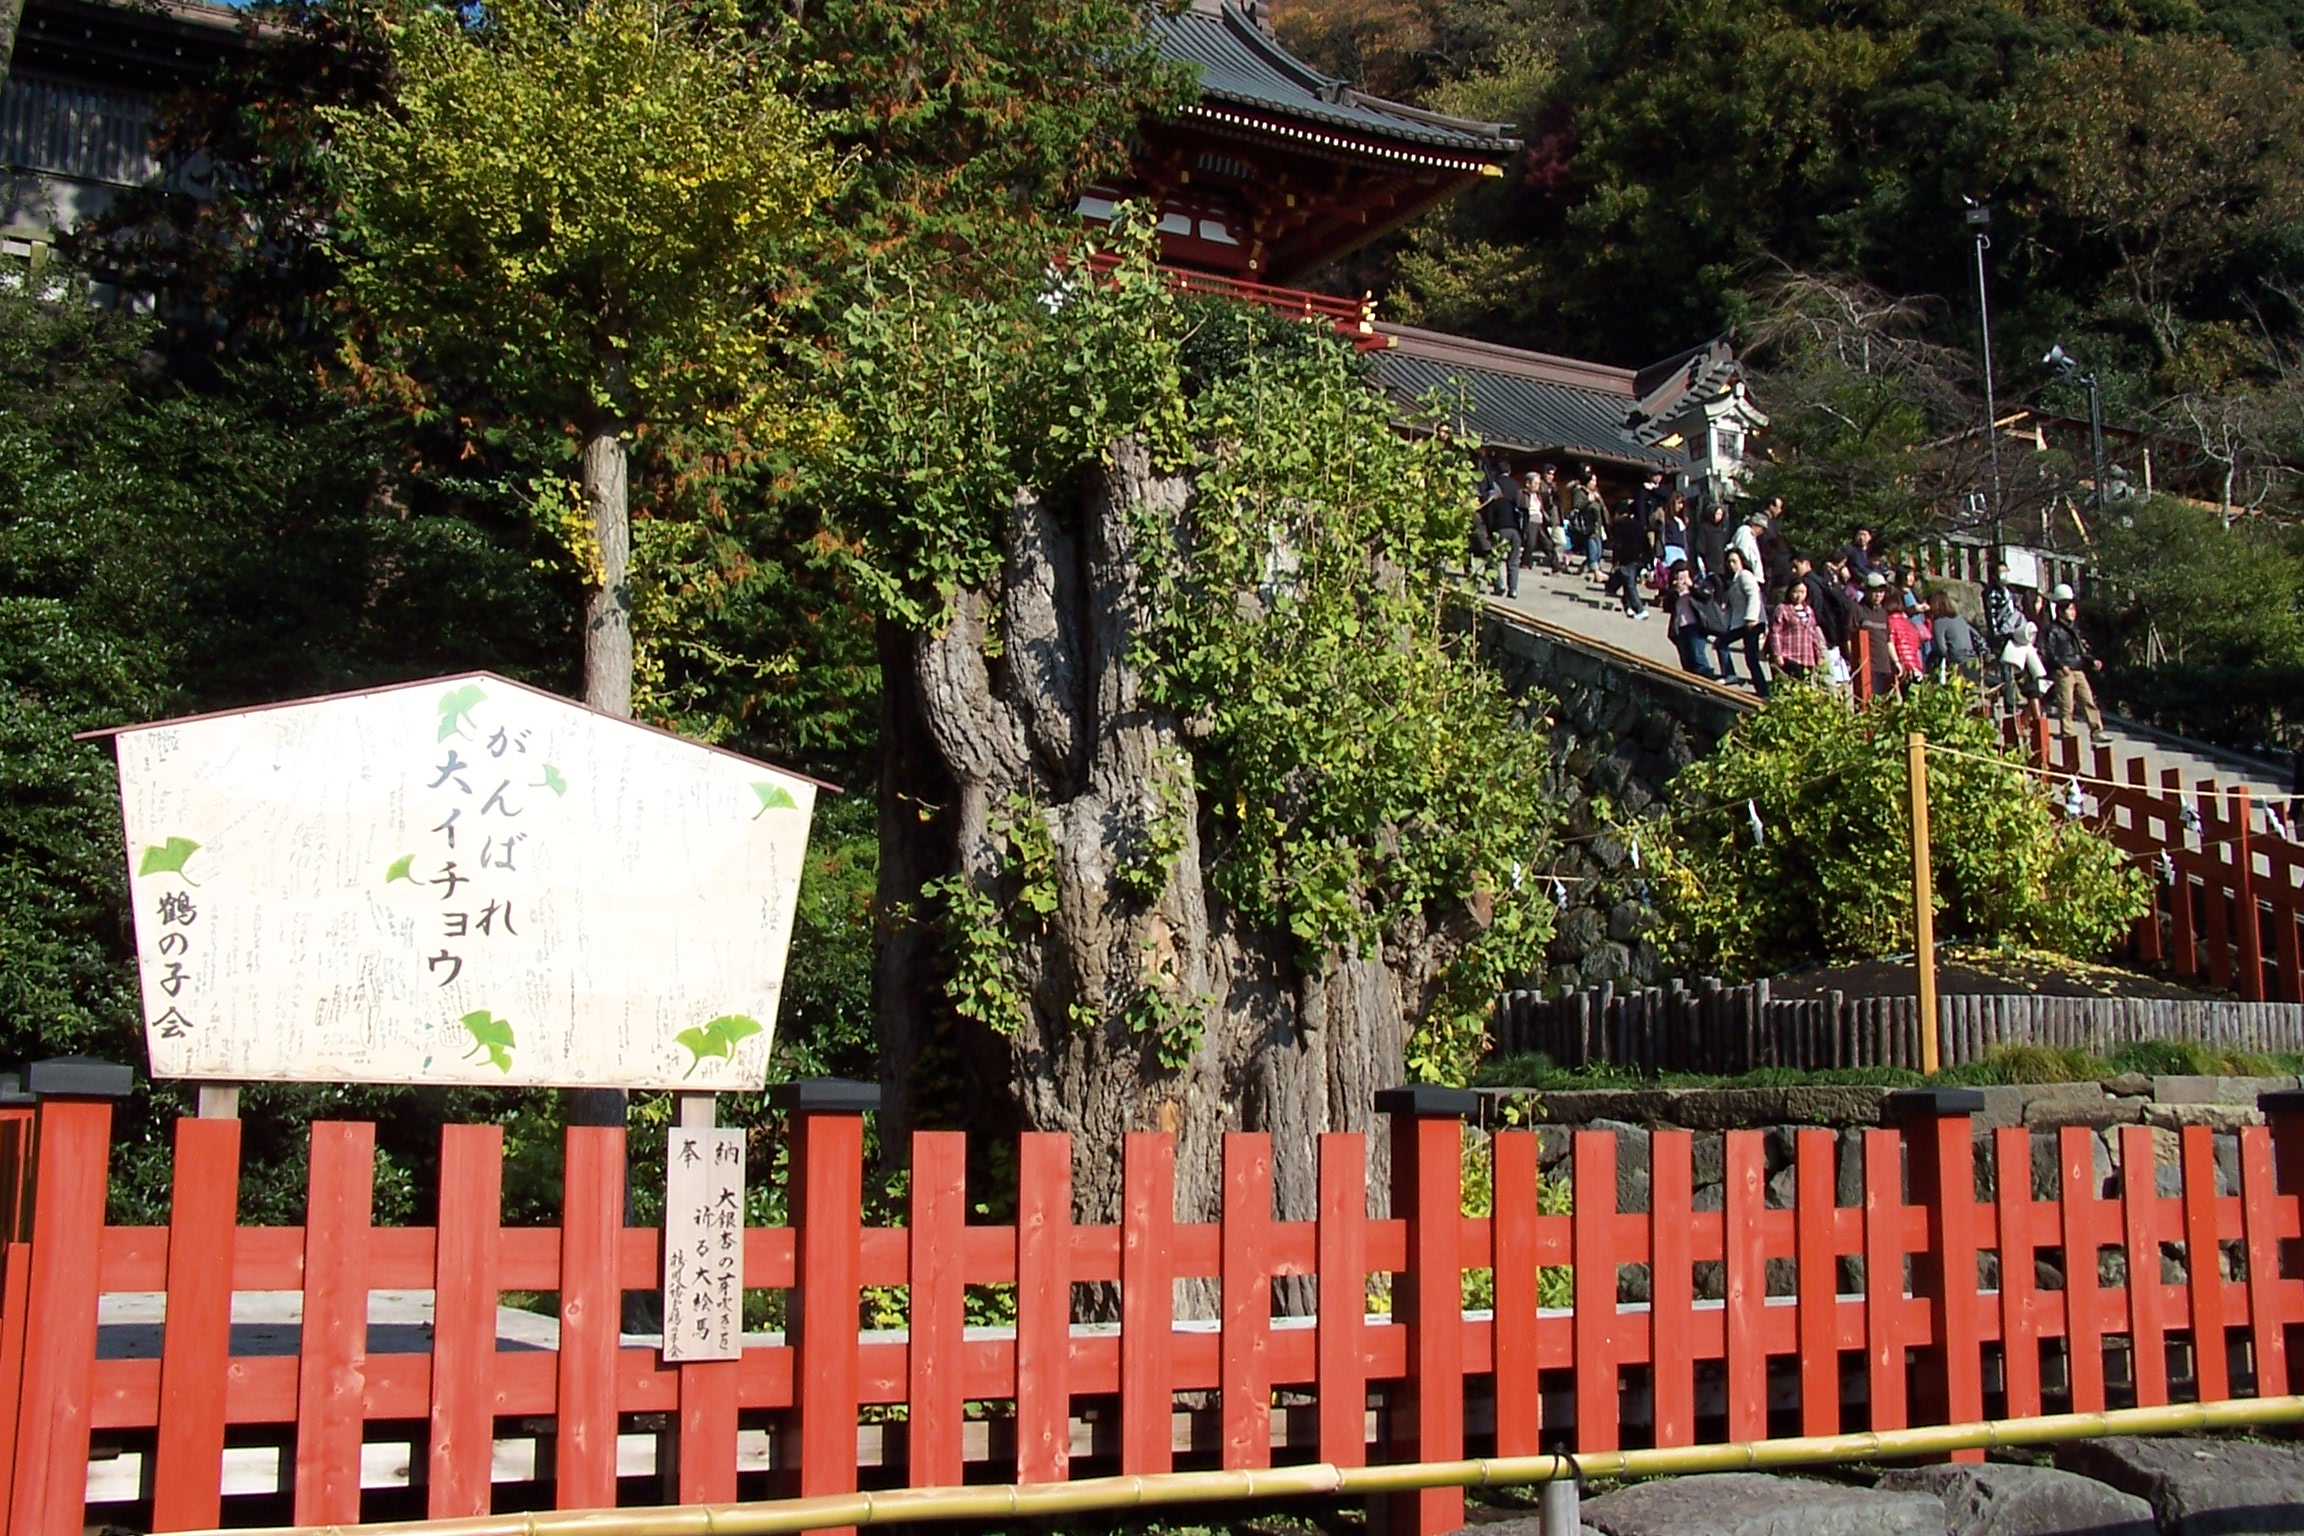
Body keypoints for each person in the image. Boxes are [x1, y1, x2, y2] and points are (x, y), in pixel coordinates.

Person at [2040, 583, 2106, 737]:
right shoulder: (2053, 629)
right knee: (2066, 704)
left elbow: (2080, 650)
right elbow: (2049, 651)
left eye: (2074, 609)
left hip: (2078, 668)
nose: (2073, 613)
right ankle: (2067, 732)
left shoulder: (2073, 629)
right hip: (2064, 670)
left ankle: (2096, 730)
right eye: (2069, 609)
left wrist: (2092, 661)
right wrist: (2060, 665)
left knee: (2087, 700)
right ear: (2061, 611)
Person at [1717, 548, 1768, 695]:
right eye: (1729, 562)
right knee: (1746, 655)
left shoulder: (1745, 575)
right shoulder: (1734, 580)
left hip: (1752, 622)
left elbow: (1754, 595)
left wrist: (1751, 617)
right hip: (1743, 623)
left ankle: (1762, 691)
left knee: (1749, 656)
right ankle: (1760, 689)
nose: (1731, 565)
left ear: (1741, 561)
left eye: (1734, 561)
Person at [1666, 562, 1719, 678]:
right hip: (1680, 628)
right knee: (1686, 660)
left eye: (1685, 575)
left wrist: (1691, 585)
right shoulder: (1676, 592)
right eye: (1680, 576)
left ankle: (1707, 681)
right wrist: (1675, 590)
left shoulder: (1698, 585)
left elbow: (1707, 595)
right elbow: (1667, 606)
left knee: (1698, 657)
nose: (1683, 580)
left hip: (1695, 626)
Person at [1766, 578, 1824, 682]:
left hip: (1807, 657)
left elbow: (1814, 635)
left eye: (1802, 592)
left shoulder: (1809, 611)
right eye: (1795, 591)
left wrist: (1819, 655)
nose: (1798, 595)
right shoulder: (1782, 609)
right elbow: (1775, 633)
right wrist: (1777, 654)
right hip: (1789, 655)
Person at [1794, 553, 1852, 653]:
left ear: (1807, 564)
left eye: (1796, 567)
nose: (1793, 571)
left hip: (1821, 629)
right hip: (1832, 627)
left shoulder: (1808, 583)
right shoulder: (1820, 580)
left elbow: (1815, 608)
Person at [1854, 571, 1897, 699]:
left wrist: (1896, 662)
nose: (1878, 595)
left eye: (1881, 591)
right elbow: (1849, 639)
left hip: (1885, 666)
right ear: (1866, 591)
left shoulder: (1883, 613)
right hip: (1868, 668)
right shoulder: (1858, 610)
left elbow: (1888, 640)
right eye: (1875, 591)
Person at [1605, 500, 1651, 617]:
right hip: (1641, 557)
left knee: (1630, 584)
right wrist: (1649, 560)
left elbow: (1618, 544)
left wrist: (1615, 560)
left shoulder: (1619, 525)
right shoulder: (1638, 524)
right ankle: (1628, 606)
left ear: (1616, 514)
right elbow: (1647, 543)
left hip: (1628, 557)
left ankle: (1639, 609)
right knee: (1628, 581)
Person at [1929, 591, 1984, 684]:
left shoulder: (1939, 622)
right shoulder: (1959, 617)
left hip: (1957, 658)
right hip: (1972, 655)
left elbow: (1941, 648)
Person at [1568, 466, 1607, 582]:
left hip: (1597, 525)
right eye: (1593, 481)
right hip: (1587, 525)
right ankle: (1596, 574)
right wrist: (1587, 500)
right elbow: (1577, 506)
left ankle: (1582, 569)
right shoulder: (1580, 492)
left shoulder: (1596, 493)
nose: (1595, 483)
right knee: (1593, 550)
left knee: (1599, 551)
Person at [1691, 501, 1731, 581]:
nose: (1719, 517)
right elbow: (1700, 547)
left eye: (1721, 514)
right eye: (1717, 514)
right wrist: (1701, 563)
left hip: (1721, 565)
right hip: (1709, 565)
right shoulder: (1704, 528)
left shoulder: (1721, 530)